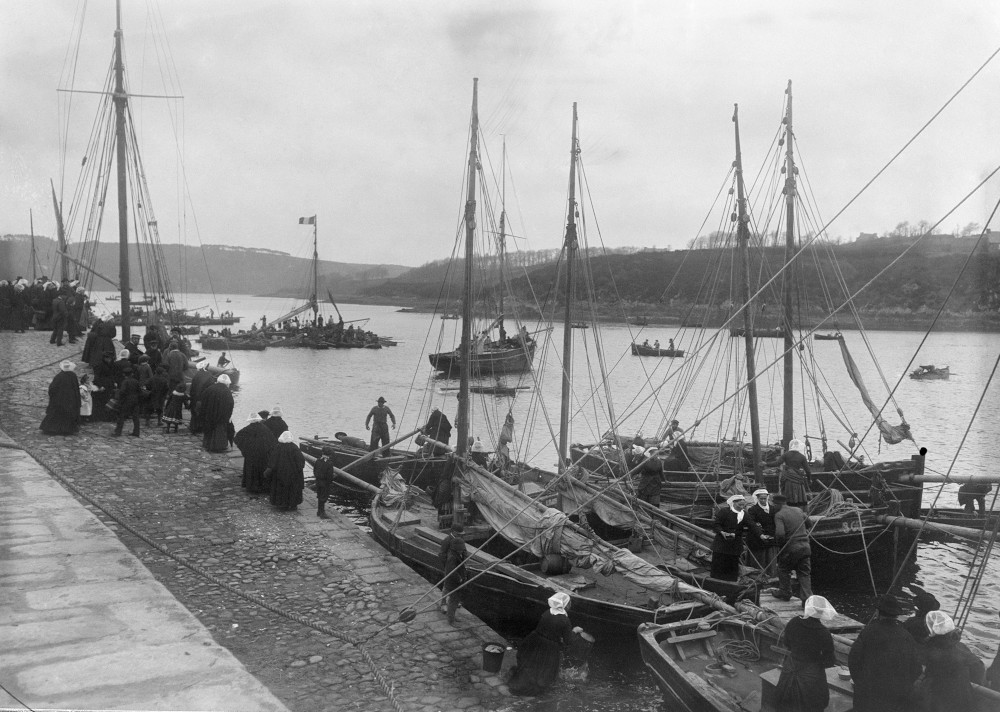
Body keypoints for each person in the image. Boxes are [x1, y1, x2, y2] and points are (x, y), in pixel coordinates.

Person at [848, 595, 922, 712]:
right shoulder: (907, 636)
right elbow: (917, 669)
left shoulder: (867, 632)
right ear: (896, 615)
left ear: (877, 612)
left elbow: (853, 661)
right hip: (895, 698)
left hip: (868, 695)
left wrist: (861, 683)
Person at [775, 595, 838, 712]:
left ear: (807, 608)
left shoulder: (794, 622)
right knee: (812, 705)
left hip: (791, 667)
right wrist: (817, 662)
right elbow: (829, 661)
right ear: (822, 612)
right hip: (811, 675)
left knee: (785, 703)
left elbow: (787, 643)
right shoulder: (823, 633)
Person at [508, 592, 576, 696]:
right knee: (545, 671)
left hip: (535, 640)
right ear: (565, 605)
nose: (570, 605)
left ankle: (525, 679)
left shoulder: (548, 612)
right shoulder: (565, 620)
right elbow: (569, 641)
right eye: (569, 603)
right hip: (549, 647)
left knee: (532, 663)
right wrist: (575, 631)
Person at [919, 610, 985, 712]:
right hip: (962, 697)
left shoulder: (931, 650)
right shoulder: (960, 646)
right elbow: (978, 665)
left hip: (941, 698)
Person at [771, 494, 813, 603]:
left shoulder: (779, 515)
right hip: (805, 547)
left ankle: (785, 592)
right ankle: (807, 600)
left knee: (783, 568)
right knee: (804, 573)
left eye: (773, 505)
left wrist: (780, 546)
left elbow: (780, 534)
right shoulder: (798, 510)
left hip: (791, 548)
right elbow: (809, 523)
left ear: (777, 504)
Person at [711, 494, 757, 581]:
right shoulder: (724, 512)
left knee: (732, 566)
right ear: (734, 503)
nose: (742, 507)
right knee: (718, 565)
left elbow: (752, 525)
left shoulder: (744, 514)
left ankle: (730, 583)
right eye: (740, 505)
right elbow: (716, 524)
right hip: (721, 544)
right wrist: (722, 532)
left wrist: (761, 534)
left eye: (743, 505)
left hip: (734, 544)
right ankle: (715, 582)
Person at [234, 412, 278, 495]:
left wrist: (245, 449)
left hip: (251, 455)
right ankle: (263, 487)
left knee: (251, 470)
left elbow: (237, 438)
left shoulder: (246, 429)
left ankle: (251, 487)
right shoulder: (265, 429)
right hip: (263, 455)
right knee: (262, 470)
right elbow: (272, 442)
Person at [265, 431, 305, 511]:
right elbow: (301, 462)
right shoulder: (295, 448)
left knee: (281, 488)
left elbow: (272, 461)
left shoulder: (278, 447)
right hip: (293, 474)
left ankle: (282, 504)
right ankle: (293, 504)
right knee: (293, 489)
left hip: (280, 473)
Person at [40, 360, 82, 435]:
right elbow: (76, 389)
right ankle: (67, 430)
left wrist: (53, 397)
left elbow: (52, 388)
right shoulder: (73, 376)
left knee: (56, 414)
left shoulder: (59, 376)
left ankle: (52, 429)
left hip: (59, 400)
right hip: (70, 400)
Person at [438, 522, 467, 624]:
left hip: (457, 567)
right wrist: (447, 567)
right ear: (454, 532)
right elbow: (441, 554)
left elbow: (464, 551)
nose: (461, 535)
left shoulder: (459, 540)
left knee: (453, 589)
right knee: (447, 586)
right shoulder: (447, 540)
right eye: (459, 533)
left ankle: (453, 604)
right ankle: (443, 603)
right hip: (450, 567)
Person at [199, 374, 235, 453]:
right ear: (227, 383)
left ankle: (207, 444)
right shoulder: (227, 391)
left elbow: (203, 400)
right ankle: (219, 447)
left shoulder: (210, 388)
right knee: (219, 431)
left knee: (209, 431)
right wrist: (228, 416)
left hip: (209, 415)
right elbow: (230, 405)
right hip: (221, 416)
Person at [746, 488, 777, 574]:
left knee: (770, 557)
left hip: (770, 537)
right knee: (760, 558)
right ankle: (759, 574)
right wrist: (760, 534)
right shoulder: (753, 510)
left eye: (765, 498)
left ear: (767, 498)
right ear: (757, 498)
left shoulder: (773, 509)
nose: (763, 500)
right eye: (761, 499)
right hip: (758, 538)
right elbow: (752, 524)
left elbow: (775, 523)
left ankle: (771, 573)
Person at [778, 439, 813, 507]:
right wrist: (809, 480)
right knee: (799, 495)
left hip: (788, 478)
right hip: (798, 479)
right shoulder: (802, 457)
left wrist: (766, 464)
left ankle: (788, 507)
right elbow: (808, 471)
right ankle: (799, 508)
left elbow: (777, 463)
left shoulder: (786, 455)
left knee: (787, 493)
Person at [187, 362, 216, 436]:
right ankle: (201, 428)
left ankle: (194, 428)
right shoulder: (210, 376)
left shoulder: (196, 375)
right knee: (203, 413)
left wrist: (191, 398)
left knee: (195, 413)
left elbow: (192, 388)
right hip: (204, 398)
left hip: (195, 398)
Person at [112, 364, 142, 437]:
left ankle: (118, 432)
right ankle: (136, 432)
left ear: (124, 374)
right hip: (135, 401)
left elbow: (122, 392)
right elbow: (140, 391)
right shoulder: (136, 381)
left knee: (121, 417)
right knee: (135, 417)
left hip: (126, 401)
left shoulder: (125, 382)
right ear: (132, 374)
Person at [312, 453, 334, 518]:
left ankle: (319, 511)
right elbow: (330, 475)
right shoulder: (329, 463)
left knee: (319, 496)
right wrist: (329, 482)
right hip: (325, 483)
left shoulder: (318, 460)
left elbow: (314, 470)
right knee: (324, 497)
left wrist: (317, 477)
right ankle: (322, 513)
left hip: (318, 482)